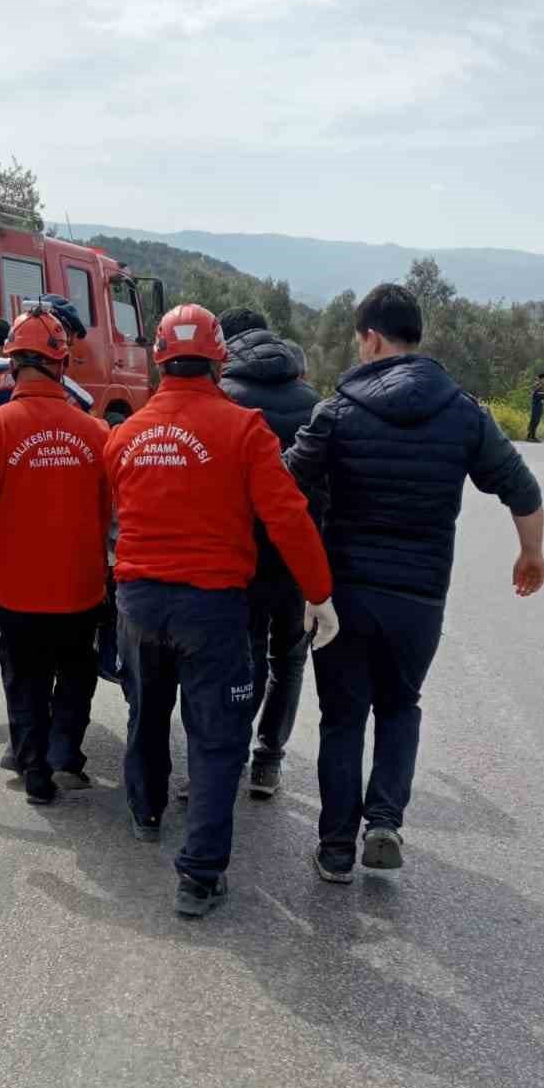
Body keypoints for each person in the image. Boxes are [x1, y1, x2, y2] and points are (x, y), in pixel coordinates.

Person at [287, 282, 544, 884]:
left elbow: (284, 488)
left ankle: (333, 850)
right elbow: (522, 488)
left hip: (344, 595)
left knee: (342, 717)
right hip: (420, 598)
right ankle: (383, 821)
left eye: (359, 339)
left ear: (372, 338)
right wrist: (531, 552)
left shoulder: (337, 411)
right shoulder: (463, 413)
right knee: (400, 705)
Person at [105, 303, 336, 920]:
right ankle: (199, 878)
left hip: (138, 601)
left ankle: (145, 812)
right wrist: (318, 592)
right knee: (215, 740)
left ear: (158, 357)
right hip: (211, 606)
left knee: (147, 712)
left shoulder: (124, 435)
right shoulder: (244, 429)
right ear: (218, 358)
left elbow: (111, 519)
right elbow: (287, 516)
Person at [0, 308, 111, 807]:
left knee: (25, 682)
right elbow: (112, 511)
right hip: (81, 587)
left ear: (10, 364)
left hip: (15, 591)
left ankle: (36, 774)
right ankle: (64, 750)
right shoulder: (94, 432)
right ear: (62, 363)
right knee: (76, 673)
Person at [217, 304, 322, 799]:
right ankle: (268, 760)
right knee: (291, 659)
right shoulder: (316, 401)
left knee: (245, 656)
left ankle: (231, 757)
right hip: (297, 556)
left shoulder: (222, 398)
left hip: (239, 554)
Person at [527, 371, 544, 442]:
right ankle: (530, 437)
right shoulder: (537, 385)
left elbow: (543, 396)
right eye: (543, 378)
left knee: (536, 421)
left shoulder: (542, 386)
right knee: (534, 420)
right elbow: (531, 393)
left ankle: (532, 436)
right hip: (536, 405)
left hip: (539, 406)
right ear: (540, 379)